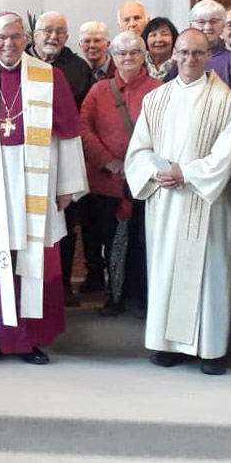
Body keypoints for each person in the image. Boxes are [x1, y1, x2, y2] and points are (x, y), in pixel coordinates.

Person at [0, 12, 88, 365]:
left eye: (15, 37)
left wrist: (68, 186)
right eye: (1, 37)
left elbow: (68, 134)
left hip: (36, 181)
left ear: (26, 38)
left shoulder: (50, 77)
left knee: (33, 260)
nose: (8, 44)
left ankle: (29, 339)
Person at [126, 29, 231, 375]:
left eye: (197, 53)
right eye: (183, 53)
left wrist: (187, 173)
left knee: (209, 272)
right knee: (165, 269)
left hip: (206, 201)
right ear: (174, 55)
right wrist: (155, 172)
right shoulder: (156, 99)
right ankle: (167, 345)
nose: (189, 59)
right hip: (165, 201)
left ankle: (210, 349)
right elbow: (140, 149)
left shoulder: (224, 99)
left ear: (209, 56)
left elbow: (228, 153)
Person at [79, 30, 162, 308]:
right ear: (113, 56)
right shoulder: (99, 90)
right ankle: (113, 296)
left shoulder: (158, 89)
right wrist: (108, 161)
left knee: (142, 240)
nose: (128, 58)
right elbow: (83, 128)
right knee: (109, 240)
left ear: (144, 56)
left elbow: (166, 132)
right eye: (122, 53)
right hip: (106, 181)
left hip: (146, 183)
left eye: (134, 52)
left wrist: (144, 166)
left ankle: (139, 296)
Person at [30, 12, 93, 305]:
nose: (52, 36)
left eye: (59, 32)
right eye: (46, 31)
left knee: (65, 221)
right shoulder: (22, 63)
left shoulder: (78, 69)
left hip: (61, 155)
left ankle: (64, 283)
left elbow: (84, 112)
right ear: (34, 34)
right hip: (27, 157)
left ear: (67, 38)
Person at [176, 0, 231, 104]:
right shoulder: (182, 58)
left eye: (214, 22)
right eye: (201, 22)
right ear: (191, 25)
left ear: (222, 25)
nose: (208, 27)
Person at [142, 17, 178, 81]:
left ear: (174, 38)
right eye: (153, 35)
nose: (159, 40)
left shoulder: (182, 63)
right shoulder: (138, 63)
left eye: (164, 34)